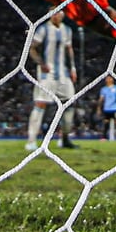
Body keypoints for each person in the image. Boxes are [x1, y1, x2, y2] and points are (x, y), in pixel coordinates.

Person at [27, 8, 78, 149]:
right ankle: (31, 141)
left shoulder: (67, 30)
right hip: (47, 74)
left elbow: (69, 49)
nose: (57, 15)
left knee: (69, 103)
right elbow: (32, 48)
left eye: (59, 13)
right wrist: (41, 64)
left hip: (63, 74)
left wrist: (73, 68)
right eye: (54, 13)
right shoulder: (43, 29)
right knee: (40, 104)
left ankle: (64, 139)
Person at [96, 75, 116, 140]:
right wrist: (98, 108)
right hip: (107, 109)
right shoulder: (103, 89)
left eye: (109, 78)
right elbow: (101, 99)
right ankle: (104, 137)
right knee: (106, 122)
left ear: (112, 79)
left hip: (115, 108)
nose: (108, 80)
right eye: (107, 79)